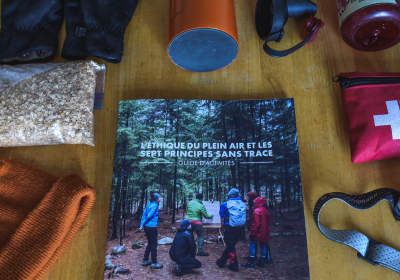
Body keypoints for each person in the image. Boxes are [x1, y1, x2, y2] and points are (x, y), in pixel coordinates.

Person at [216, 188, 246, 272]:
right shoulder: (242, 203)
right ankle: (221, 261)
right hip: (240, 227)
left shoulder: (225, 204)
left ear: (229, 195)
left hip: (228, 227)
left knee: (230, 246)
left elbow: (221, 215)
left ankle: (234, 265)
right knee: (230, 245)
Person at [241, 196, 273, 268]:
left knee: (252, 245)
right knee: (263, 246)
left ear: (258, 202)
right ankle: (262, 261)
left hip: (257, 232)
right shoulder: (267, 211)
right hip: (265, 232)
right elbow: (268, 223)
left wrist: (252, 233)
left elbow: (256, 223)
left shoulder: (256, 211)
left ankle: (251, 261)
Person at [139, 193, 163, 269]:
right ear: (156, 198)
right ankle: (154, 263)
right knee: (154, 244)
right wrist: (143, 223)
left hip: (146, 227)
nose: (161, 198)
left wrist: (142, 225)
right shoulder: (155, 205)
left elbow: (144, 215)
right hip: (152, 227)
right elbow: (149, 216)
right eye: (159, 197)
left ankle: (145, 260)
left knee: (150, 243)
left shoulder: (148, 204)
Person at [244, 190, 259, 261]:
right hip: (252, 224)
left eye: (248, 196)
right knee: (253, 242)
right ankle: (253, 255)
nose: (247, 198)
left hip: (255, 225)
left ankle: (252, 257)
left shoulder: (255, 204)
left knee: (253, 241)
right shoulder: (252, 203)